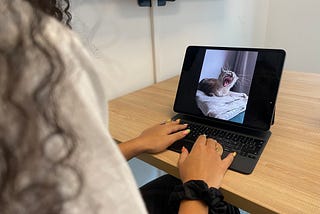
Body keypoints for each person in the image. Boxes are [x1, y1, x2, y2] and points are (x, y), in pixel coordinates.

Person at [0, 0, 238, 213]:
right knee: (222, 204)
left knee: (172, 183)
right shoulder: (34, 45)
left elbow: (63, 172)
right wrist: (197, 188)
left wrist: (137, 144)